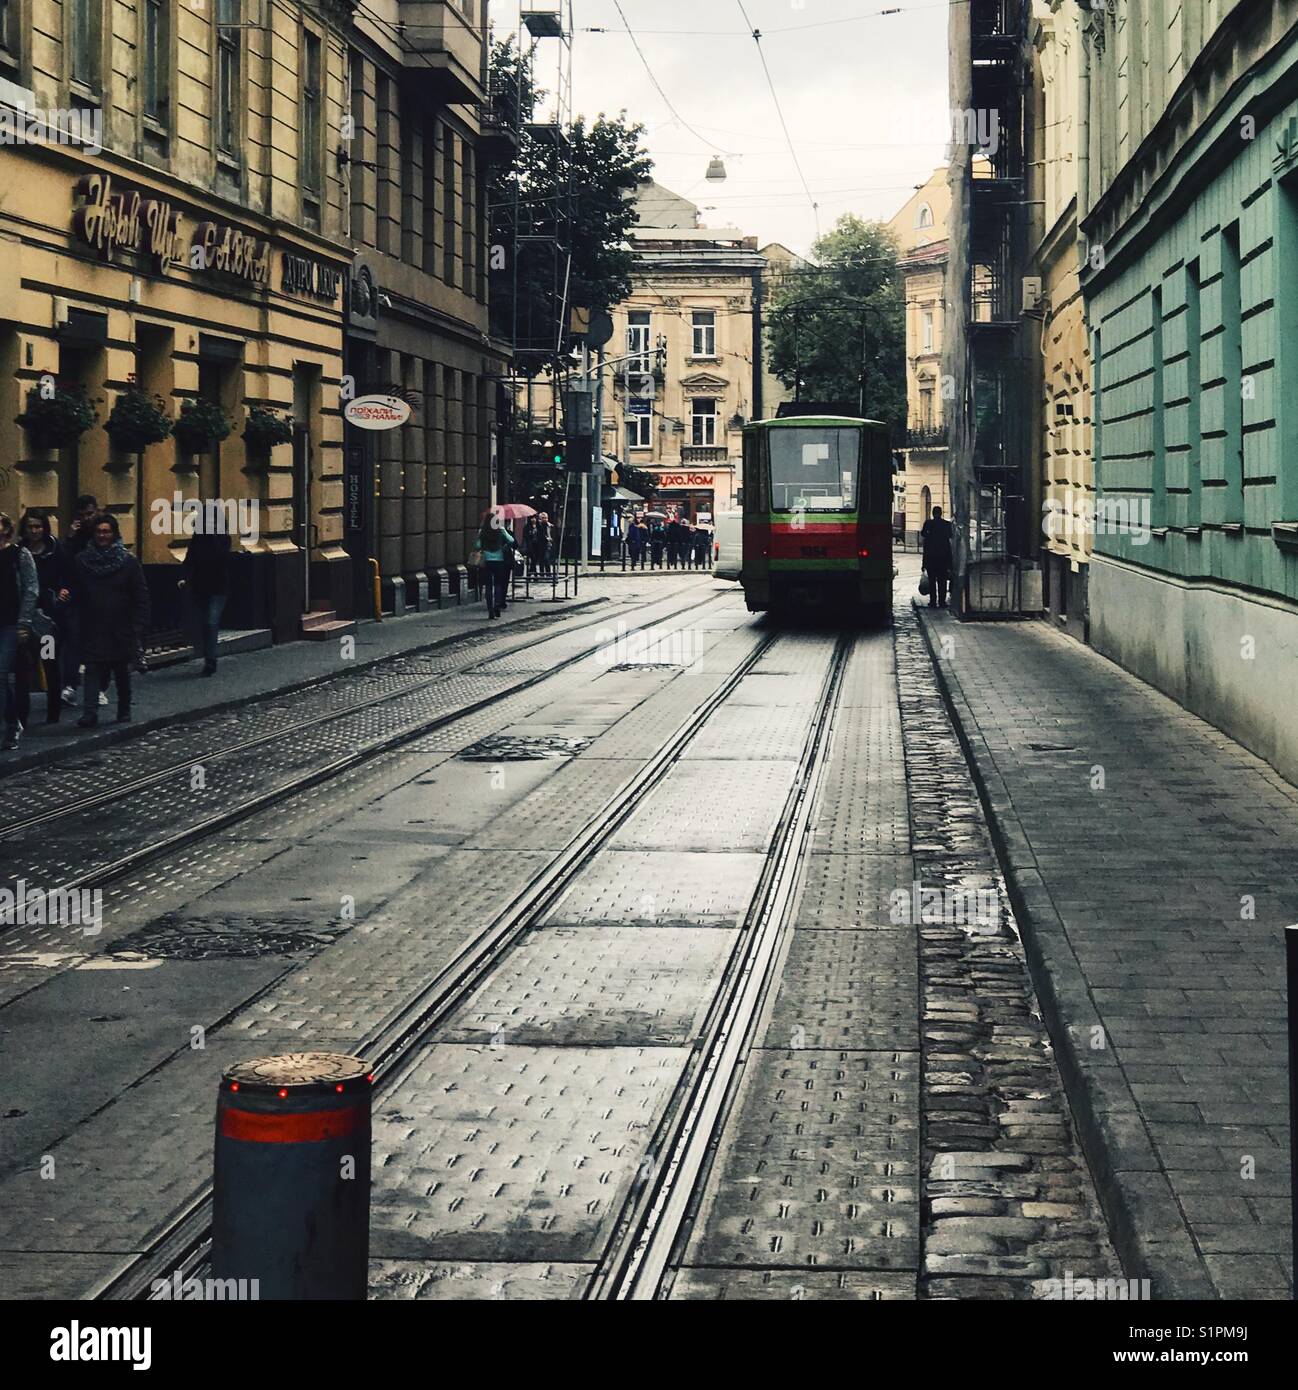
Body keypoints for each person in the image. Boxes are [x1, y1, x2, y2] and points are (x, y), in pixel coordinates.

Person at [73, 513, 151, 727]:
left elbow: (140, 595)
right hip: (93, 624)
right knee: (92, 669)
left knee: (120, 670)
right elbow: (76, 591)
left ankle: (124, 709)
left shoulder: (128, 561)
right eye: (99, 531)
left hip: (121, 625)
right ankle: (90, 712)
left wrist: (138, 625)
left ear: (114, 534)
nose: (102, 535)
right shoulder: (82, 561)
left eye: (106, 531)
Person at [17, 509, 71, 725]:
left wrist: (63, 591)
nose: (34, 531)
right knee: (23, 665)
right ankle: (22, 716)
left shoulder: (55, 550)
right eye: (30, 526)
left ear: (44, 527)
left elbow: (68, 576)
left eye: (38, 526)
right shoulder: (19, 551)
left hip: (49, 618)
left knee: (49, 661)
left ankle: (53, 711)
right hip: (25, 617)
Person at [0, 512, 38, 751]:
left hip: (11, 622)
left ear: (5, 528)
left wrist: (24, 622)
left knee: (1, 675)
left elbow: (32, 588)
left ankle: (12, 726)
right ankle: (12, 721)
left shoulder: (19, 555)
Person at [59, 493, 100, 707]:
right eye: (82, 515)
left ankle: (99, 688)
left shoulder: (103, 532)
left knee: (97, 644)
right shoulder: (74, 539)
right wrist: (70, 537)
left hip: (99, 597)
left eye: (90, 514)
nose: (86, 519)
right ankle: (70, 685)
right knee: (73, 641)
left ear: (97, 512)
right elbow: (64, 562)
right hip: (76, 595)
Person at [179, 524, 231, 677]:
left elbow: (220, 557)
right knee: (203, 623)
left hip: (219, 588)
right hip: (200, 587)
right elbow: (189, 559)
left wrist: (213, 537)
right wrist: (183, 576)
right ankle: (208, 655)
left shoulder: (223, 538)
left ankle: (211, 660)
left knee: (211, 622)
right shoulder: (198, 539)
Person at [478, 508, 517, 619]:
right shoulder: (500, 530)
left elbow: (477, 545)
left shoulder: (482, 531)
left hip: (486, 561)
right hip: (499, 561)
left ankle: (490, 608)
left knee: (488, 586)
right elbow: (511, 540)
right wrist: (504, 546)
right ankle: (497, 605)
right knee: (498, 585)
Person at [920, 505, 954, 609]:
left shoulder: (928, 524)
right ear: (941, 513)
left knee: (932, 581)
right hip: (943, 558)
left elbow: (923, 537)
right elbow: (951, 537)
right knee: (942, 581)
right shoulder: (947, 524)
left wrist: (924, 563)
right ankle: (942, 602)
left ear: (932, 513)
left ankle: (933, 602)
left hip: (931, 558)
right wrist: (950, 563)